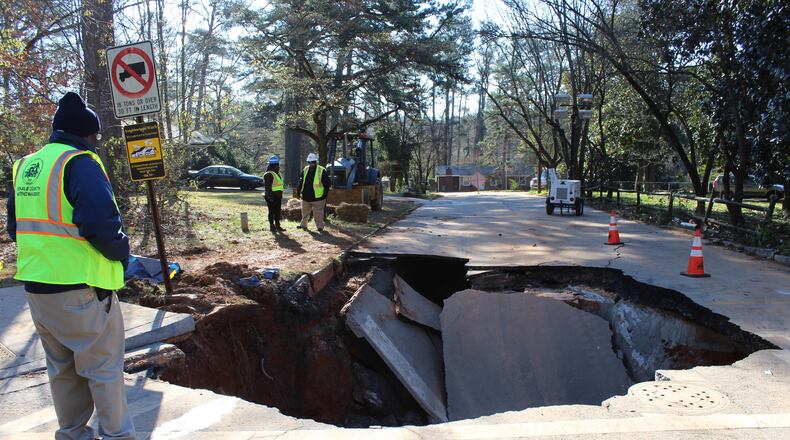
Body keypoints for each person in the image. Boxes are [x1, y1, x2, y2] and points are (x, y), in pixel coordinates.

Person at [6, 92, 136, 440]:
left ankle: (73, 434)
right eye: (94, 137)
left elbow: (14, 228)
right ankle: (117, 436)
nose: (96, 143)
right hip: (82, 289)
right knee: (103, 368)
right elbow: (102, 226)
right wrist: (123, 255)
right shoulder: (80, 163)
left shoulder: (26, 166)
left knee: (62, 370)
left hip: (37, 289)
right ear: (86, 135)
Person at [295, 152, 331, 232]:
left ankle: (320, 227)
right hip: (306, 197)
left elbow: (327, 184)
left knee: (318, 214)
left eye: (313, 162)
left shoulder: (322, 170)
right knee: (304, 213)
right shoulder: (305, 169)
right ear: (308, 162)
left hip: (318, 197)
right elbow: (301, 181)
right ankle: (303, 225)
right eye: (310, 162)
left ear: (316, 162)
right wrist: (298, 190)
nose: (312, 164)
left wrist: (324, 195)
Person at [263, 155, 285, 233]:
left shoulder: (276, 173)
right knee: (272, 212)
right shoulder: (269, 174)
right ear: (274, 166)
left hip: (277, 197)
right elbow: (267, 187)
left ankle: (278, 226)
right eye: (277, 165)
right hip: (272, 197)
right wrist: (270, 197)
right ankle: (272, 227)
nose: (279, 167)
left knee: (277, 211)